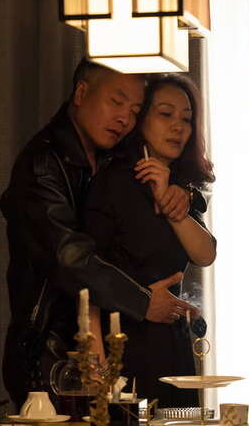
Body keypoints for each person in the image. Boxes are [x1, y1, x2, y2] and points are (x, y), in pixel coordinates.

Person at [0, 59, 202, 409]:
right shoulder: (43, 164)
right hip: (52, 352)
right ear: (81, 93)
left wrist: (186, 194)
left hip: (113, 346)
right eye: (116, 102)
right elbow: (70, 257)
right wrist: (143, 301)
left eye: (134, 110)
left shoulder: (110, 156)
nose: (124, 118)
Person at [83, 73, 216, 407]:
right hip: (124, 343)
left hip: (172, 344)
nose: (178, 127)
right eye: (165, 114)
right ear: (141, 120)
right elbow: (87, 277)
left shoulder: (181, 188)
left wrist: (171, 199)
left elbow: (205, 253)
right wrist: (96, 361)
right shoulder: (113, 183)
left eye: (187, 119)